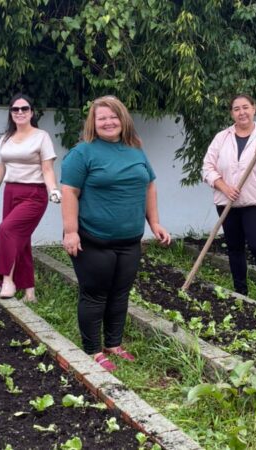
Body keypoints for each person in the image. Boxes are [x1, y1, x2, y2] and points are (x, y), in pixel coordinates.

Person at [61, 95, 171, 372]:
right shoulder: (82, 153)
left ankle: (113, 344)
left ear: (123, 120)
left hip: (130, 241)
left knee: (120, 294)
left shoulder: (135, 149)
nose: (109, 122)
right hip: (94, 240)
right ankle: (93, 350)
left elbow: (149, 186)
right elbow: (69, 192)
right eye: (102, 118)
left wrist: (154, 223)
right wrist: (71, 231)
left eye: (113, 116)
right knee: (95, 295)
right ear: (93, 123)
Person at [202, 94, 256, 310]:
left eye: (245, 107)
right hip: (226, 202)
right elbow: (207, 168)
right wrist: (224, 186)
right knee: (235, 248)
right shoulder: (222, 138)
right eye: (236, 109)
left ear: (254, 109)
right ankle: (241, 292)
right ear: (232, 113)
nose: (242, 112)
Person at [0, 93, 60, 302]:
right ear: (11, 113)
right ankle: (30, 292)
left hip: (34, 195)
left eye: (24, 109)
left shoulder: (42, 136)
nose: (20, 112)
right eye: (15, 109)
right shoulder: (5, 139)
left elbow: (47, 169)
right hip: (10, 192)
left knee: (7, 230)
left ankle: (7, 280)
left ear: (31, 112)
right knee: (21, 241)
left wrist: (53, 190)